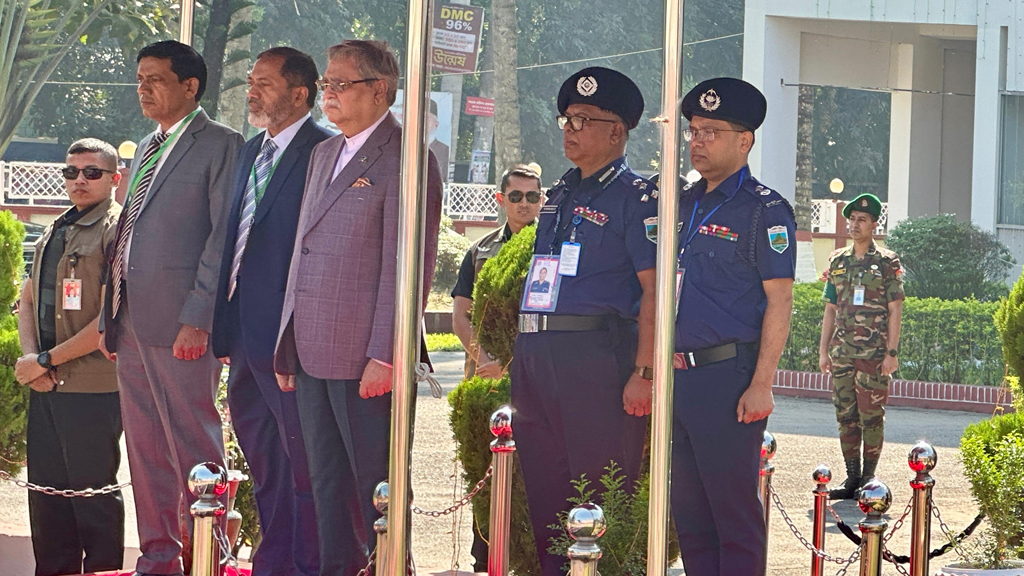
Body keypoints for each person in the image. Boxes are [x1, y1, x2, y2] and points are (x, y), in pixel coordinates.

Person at [272, 39, 443, 576]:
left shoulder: (407, 158)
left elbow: (407, 267)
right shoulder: (324, 152)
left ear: (380, 90)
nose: (329, 94)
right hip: (312, 349)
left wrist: (387, 354)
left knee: (379, 485)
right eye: (326, 84)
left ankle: (392, 568)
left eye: (341, 84)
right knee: (325, 483)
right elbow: (303, 252)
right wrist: (288, 340)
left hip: (366, 358)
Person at [98, 40, 243, 576]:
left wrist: (199, 317)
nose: (144, 88)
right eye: (139, 78)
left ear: (191, 86)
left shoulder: (222, 144)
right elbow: (126, 235)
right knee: (144, 446)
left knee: (193, 441)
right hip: (130, 320)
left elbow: (222, 238)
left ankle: (208, 555)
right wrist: (107, 317)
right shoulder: (145, 144)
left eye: (155, 78)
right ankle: (158, 557)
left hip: (183, 322)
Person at [510, 66, 657, 576]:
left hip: (596, 361)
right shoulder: (560, 192)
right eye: (567, 118)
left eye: (584, 119)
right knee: (548, 496)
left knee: (597, 497)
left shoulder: (638, 198)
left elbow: (655, 289)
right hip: (536, 357)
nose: (570, 128)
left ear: (617, 131)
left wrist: (644, 372)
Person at [211, 47, 331, 576]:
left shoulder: (324, 152)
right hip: (240, 334)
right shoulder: (249, 152)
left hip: (289, 342)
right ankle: (274, 560)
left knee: (303, 464)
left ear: (299, 94)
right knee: (264, 464)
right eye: (250, 82)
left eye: (264, 83)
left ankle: (309, 563)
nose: (252, 91)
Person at [671, 77, 796, 576]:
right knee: (690, 511)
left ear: (744, 140)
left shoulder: (765, 210)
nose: (697, 140)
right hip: (677, 374)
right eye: (693, 130)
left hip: (728, 377)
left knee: (732, 512)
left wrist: (762, 383)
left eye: (711, 131)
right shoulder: (679, 203)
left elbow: (780, 301)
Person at [15, 138, 124, 576]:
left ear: (115, 179)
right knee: (46, 499)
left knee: (92, 499)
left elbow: (108, 320)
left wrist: (46, 360)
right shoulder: (56, 227)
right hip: (46, 383)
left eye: (91, 172)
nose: (79, 180)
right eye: (71, 171)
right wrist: (32, 361)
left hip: (91, 389)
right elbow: (26, 300)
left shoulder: (116, 230)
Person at [818, 193, 904, 500]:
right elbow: (830, 308)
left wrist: (891, 353)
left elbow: (895, 308)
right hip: (842, 354)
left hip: (873, 355)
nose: (855, 225)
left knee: (872, 416)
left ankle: (869, 477)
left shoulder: (886, 262)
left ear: (874, 225)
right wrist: (823, 351)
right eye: (852, 219)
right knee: (846, 415)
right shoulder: (838, 261)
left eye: (862, 220)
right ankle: (852, 476)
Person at [451, 164, 543, 380]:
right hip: (486, 370)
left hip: (537, 371)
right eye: (515, 196)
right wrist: (486, 362)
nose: (524, 203)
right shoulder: (480, 251)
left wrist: (511, 366)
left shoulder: (555, 249)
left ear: (541, 199)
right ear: (501, 199)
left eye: (531, 196)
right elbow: (461, 316)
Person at [428, 99, 450, 181]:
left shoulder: (445, 150)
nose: (423, 122)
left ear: (436, 125)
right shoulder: (405, 148)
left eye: (427, 118)